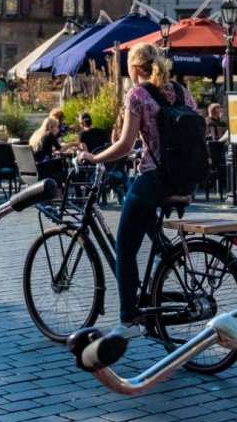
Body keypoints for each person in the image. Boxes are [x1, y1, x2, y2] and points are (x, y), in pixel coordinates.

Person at [76, 43, 196, 341]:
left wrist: (94, 158)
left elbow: (126, 144)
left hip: (153, 179)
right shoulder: (181, 92)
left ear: (132, 68)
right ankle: (156, 282)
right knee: (147, 231)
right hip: (183, 180)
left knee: (125, 248)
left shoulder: (138, 95)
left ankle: (129, 319)